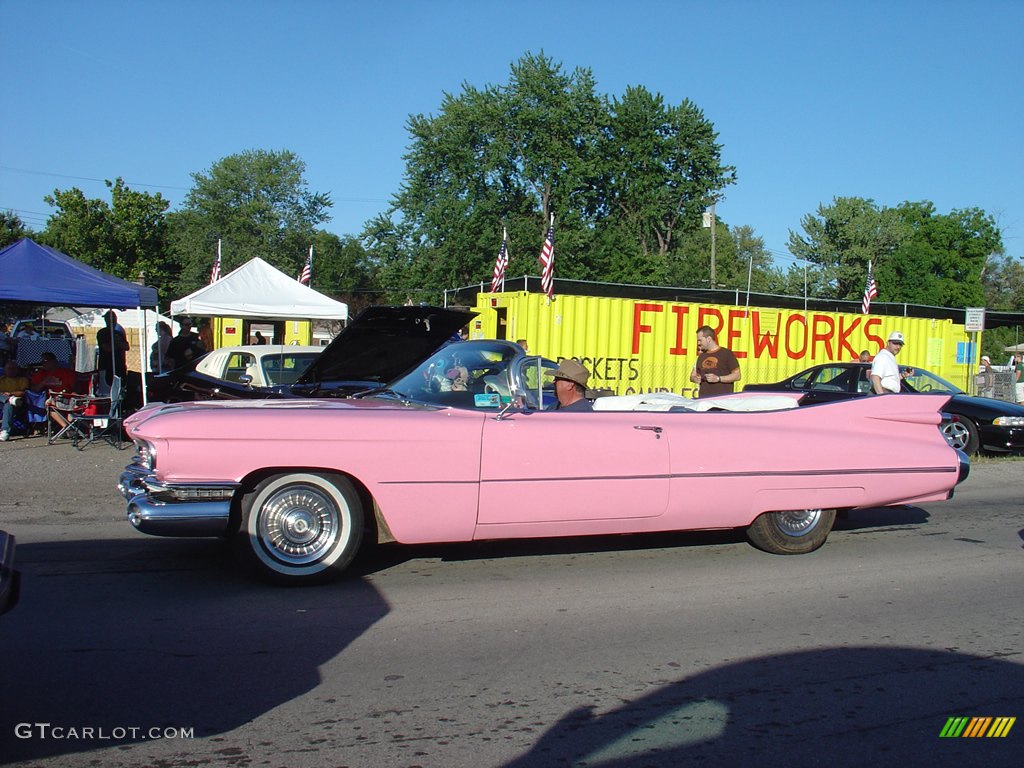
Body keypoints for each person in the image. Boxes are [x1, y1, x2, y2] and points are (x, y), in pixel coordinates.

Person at [689, 325, 741, 398]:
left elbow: (737, 376)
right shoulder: (700, 356)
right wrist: (695, 378)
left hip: (722, 402)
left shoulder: (726, 354)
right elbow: (692, 376)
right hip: (704, 402)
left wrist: (718, 378)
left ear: (709, 339)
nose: (698, 343)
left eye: (700, 340)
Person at [95, 310, 130, 387]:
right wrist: (116, 344)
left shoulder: (119, 333)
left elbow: (127, 347)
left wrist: (118, 343)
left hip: (120, 366)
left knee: (120, 387)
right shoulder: (102, 333)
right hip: (106, 366)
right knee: (106, 389)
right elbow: (106, 348)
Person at [0, 359, 30, 441]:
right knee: (8, 401)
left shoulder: (22, 380)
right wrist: (7, 397)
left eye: (13, 368)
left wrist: (11, 393)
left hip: (18, 402)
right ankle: (9, 399)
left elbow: (24, 392)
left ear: (17, 370)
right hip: (3, 400)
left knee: (9, 404)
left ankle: (5, 431)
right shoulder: (1, 380)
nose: (11, 370)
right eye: (9, 368)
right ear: (5, 370)